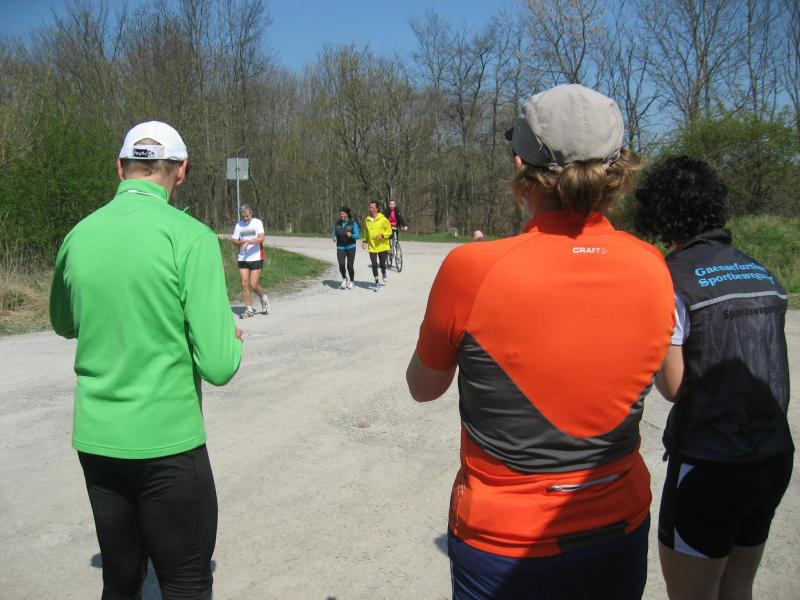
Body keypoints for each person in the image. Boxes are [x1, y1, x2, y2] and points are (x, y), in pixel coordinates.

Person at [406, 84, 675, 599]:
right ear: (617, 170)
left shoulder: (471, 268)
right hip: (618, 525)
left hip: (504, 541)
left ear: (519, 165)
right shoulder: (653, 265)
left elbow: (423, 387)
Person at [49, 120, 243, 600]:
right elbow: (219, 365)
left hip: (97, 441)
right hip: (168, 443)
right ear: (181, 171)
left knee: (120, 580)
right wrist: (231, 338)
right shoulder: (190, 237)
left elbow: (64, 323)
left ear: (120, 168)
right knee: (185, 583)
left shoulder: (79, 235)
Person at [634, 156, 794, 600]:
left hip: (710, 465)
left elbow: (674, 386)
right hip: (773, 456)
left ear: (659, 212)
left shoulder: (672, 277)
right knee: (738, 585)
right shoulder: (760, 271)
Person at [232, 204, 270, 317]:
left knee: (253, 284)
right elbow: (234, 241)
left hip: (256, 257)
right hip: (242, 257)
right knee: (244, 283)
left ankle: (263, 297)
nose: (245, 218)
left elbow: (262, 238)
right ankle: (249, 309)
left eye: (247, 216)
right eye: (243, 216)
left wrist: (249, 242)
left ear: (251, 213)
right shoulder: (239, 225)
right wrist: (241, 242)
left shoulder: (257, 223)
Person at [362, 200, 392, 291]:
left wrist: (382, 235)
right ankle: (377, 283)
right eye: (370, 207)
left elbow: (389, 231)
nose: (370, 209)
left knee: (382, 263)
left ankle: (383, 272)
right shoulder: (367, 219)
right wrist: (365, 241)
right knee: (374, 265)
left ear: (377, 208)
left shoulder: (383, 219)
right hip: (372, 246)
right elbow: (366, 232)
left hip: (382, 245)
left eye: (372, 207)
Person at [332, 206, 360, 289]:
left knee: (349, 266)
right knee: (341, 265)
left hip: (351, 246)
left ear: (347, 214)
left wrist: (351, 235)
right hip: (340, 247)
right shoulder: (337, 223)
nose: (342, 215)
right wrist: (334, 236)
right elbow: (334, 232)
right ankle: (344, 279)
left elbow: (358, 236)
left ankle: (352, 281)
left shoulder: (353, 223)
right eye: (341, 214)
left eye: (343, 214)